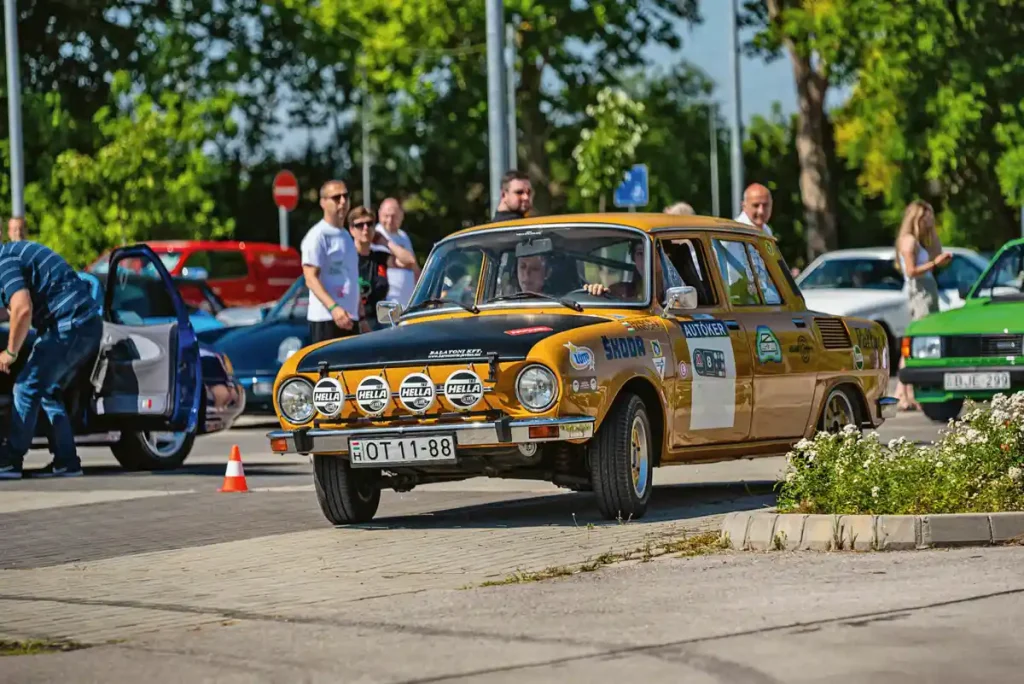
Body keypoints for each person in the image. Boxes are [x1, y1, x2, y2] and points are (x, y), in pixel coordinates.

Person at [0, 241, 104, 480]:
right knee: (45, 389)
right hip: (82, 323)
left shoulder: (4, 262)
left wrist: (10, 352)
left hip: (71, 325)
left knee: (26, 387)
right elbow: (10, 309)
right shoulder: (11, 256)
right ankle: (66, 462)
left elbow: (22, 309)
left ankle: (10, 460)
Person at [894, 199, 950, 411]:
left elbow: (936, 252)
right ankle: (904, 393)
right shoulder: (908, 241)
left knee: (916, 343)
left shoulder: (920, 240)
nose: (930, 222)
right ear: (917, 218)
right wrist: (935, 264)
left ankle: (904, 392)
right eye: (927, 218)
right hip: (919, 292)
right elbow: (910, 271)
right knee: (916, 343)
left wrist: (932, 233)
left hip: (928, 288)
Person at [301, 179, 361, 344]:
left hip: (349, 317)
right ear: (323, 203)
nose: (343, 202)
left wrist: (360, 315)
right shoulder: (318, 235)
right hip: (327, 319)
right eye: (336, 197)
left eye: (345, 196)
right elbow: (310, 278)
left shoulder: (347, 236)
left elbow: (352, 278)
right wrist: (334, 308)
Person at [349, 206, 417, 331]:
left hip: (382, 320)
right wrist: (362, 321)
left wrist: (387, 242)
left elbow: (409, 261)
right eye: (360, 225)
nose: (365, 229)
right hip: (357, 322)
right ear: (351, 230)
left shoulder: (380, 257)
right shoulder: (348, 258)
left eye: (369, 224)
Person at [374, 197, 420, 308]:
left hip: (407, 304)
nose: (389, 220)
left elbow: (413, 266)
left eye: (393, 216)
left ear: (401, 215)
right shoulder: (376, 235)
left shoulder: (403, 236)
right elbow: (408, 261)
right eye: (386, 216)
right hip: (388, 304)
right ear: (379, 214)